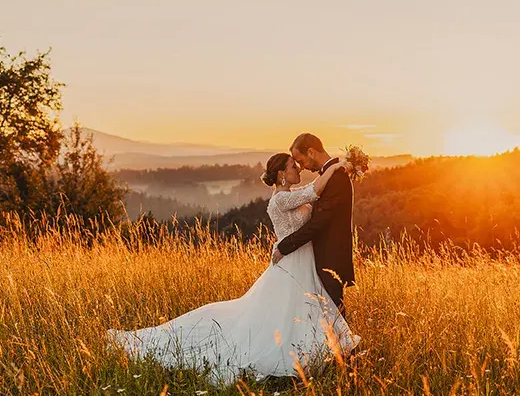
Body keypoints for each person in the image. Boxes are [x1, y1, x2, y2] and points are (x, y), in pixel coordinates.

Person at [108, 151, 359, 384]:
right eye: (294, 166)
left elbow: (310, 191)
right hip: (291, 263)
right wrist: (337, 165)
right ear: (281, 173)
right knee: (285, 312)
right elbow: (313, 191)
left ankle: (317, 352)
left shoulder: (291, 193)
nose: (300, 169)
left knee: (303, 309)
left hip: (302, 261)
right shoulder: (280, 200)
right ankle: (295, 354)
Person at [272, 132, 354, 314]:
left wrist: (284, 246)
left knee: (334, 314)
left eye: (301, 161)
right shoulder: (329, 175)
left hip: (330, 257)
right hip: (317, 258)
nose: (302, 168)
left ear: (311, 152)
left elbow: (318, 223)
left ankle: (342, 343)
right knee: (323, 314)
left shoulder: (336, 176)